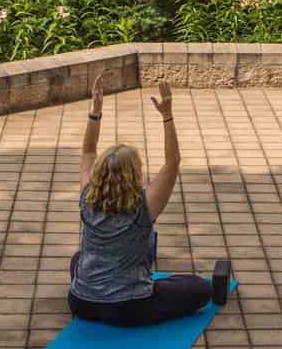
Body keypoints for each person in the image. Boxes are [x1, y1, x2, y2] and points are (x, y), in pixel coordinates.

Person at [69, 77, 212, 326]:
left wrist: (95, 112)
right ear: (134, 174)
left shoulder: (86, 197)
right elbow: (173, 162)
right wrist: (167, 116)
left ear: (99, 173)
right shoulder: (143, 208)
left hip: (82, 303)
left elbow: (88, 152)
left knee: (78, 258)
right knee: (200, 288)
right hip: (129, 308)